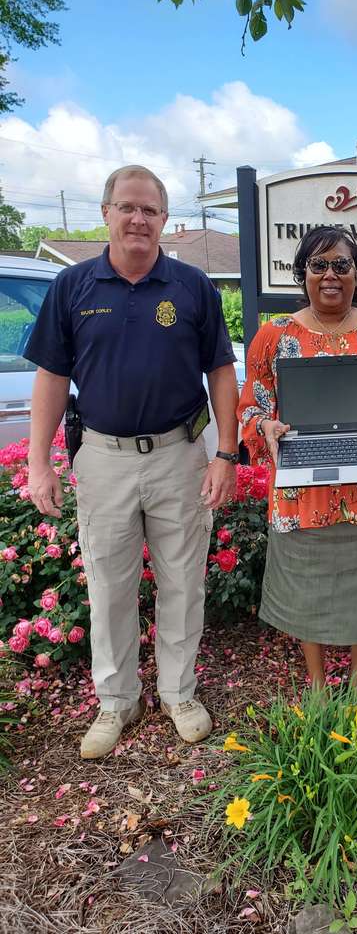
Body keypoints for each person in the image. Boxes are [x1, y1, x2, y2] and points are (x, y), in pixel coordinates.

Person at [25, 164, 239, 759]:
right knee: (110, 588)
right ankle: (118, 702)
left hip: (179, 457)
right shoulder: (73, 288)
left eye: (150, 209)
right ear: (106, 213)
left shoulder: (192, 286)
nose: (138, 218)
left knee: (183, 582)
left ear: (164, 219)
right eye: (128, 207)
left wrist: (224, 453)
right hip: (103, 459)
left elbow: (221, 372)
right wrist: (40, 463)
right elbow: (51, 376)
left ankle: (179, 694)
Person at [237, 225, 357, 695]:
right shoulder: (273, 335)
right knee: (305, 586)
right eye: (318, 265)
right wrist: (267, 427)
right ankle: (317, 684)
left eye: (342, 265)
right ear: (302, 273)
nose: (330, 275)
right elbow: (251, 406)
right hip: (302, 481)